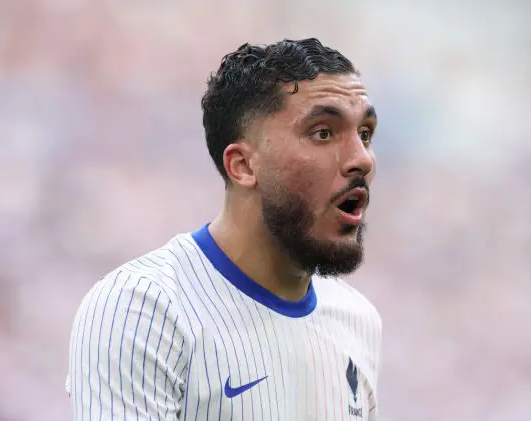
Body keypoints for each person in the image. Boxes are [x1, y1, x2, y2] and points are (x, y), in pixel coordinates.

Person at [67, 37, 382, 421]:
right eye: (323, 133)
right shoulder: (142, 310)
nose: (362, 159)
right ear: (244, 166)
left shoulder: (358, 320)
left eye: (365, 134)